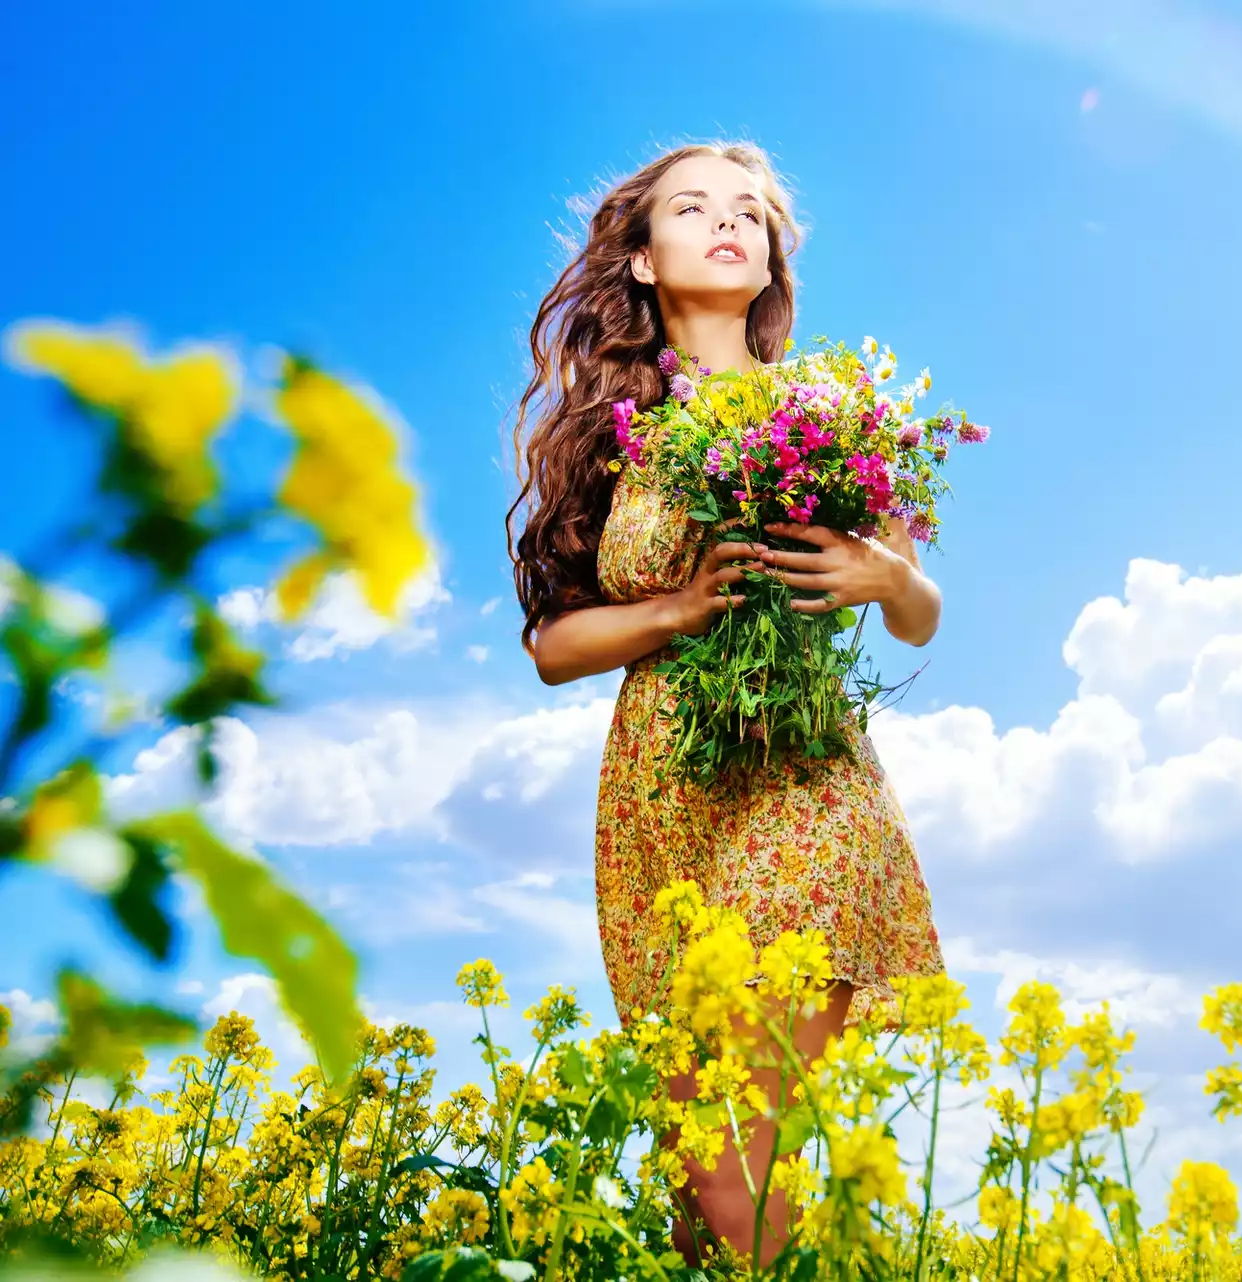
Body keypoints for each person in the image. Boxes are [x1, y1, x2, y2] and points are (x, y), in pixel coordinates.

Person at [505, 140, 948, 1267]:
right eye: (693, 208)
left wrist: (883, 575)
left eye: (749, 211)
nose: (726, 223)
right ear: (644, 261)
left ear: (772, 257)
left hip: (809, 777)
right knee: (703, 1173)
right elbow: (555, 645)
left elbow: (920, 611)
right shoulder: (607, 426)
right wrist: (679, 610)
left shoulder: (836, 406)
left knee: (749, 1162)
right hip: (666, 796)